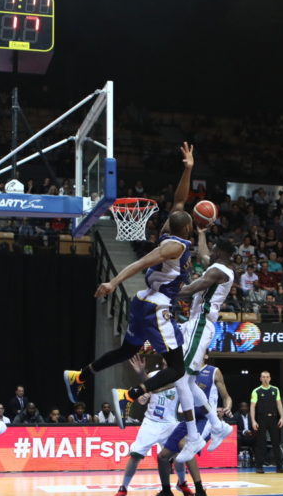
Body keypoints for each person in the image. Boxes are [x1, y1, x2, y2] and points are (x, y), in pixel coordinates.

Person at [66, 144, 202, 458]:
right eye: (192, 225)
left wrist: (188, 168)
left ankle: (81, 375)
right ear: (187, 229)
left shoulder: (172, 229)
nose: (194, 225)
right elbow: (140, 264)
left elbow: (180, 200)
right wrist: (113, 282)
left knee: (128, 350)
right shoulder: (174, 247)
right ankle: (130, 395)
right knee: (177, 369)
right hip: (157, 307)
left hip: (144, 303)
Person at [111, 356, 202, 496]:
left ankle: (182, 483)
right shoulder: (154, 375)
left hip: (170, 423)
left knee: (180, 455)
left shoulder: (181, 379)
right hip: (151, 422)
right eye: (166, 361)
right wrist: (141, 378)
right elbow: (146, 391)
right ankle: (123, 488)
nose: (167, 363)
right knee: (135, 455)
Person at [175, 235, 236, 454]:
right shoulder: (220, 267)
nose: (209, 250)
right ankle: (218, 426)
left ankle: (194, 437)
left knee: (181, 377)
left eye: (214, 247)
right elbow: (203, 254)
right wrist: (201, 232)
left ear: (221, 252)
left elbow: (190, 289)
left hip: (201, 324)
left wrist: (163, 290)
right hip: (197, 324)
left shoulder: (218, 271)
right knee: (188, 383)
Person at [249, 371, 283, 474]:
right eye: (263, 377)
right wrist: (253, 421)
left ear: (270, 378)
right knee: (261, 443)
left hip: (273, 419)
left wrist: (282, 417)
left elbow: (279, 404)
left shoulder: (275, 389)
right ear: (260, 378)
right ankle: (259, 466)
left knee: (276, 443)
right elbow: (252, 407)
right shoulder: (256, 391)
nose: (265, 379)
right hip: (261, 419)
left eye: (267, 377)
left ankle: (279, 467)